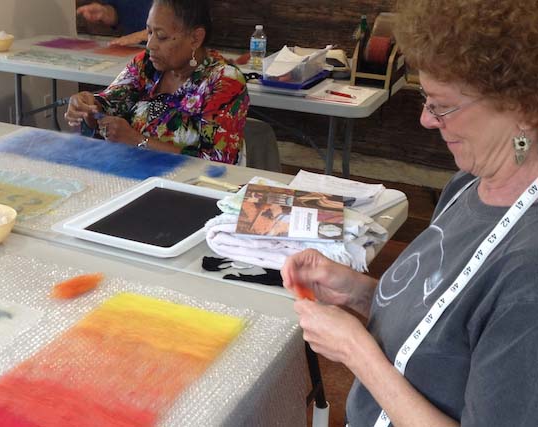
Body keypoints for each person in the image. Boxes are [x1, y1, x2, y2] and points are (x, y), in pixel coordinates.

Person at [280, 1, 538, 426]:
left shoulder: (528, 274)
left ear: (524, 105)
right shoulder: (470, 184)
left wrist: (356, 351)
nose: (425, 119)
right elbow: (449, 331)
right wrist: (360, 293)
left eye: (442, 105)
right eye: (425, 98)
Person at [66, 0, 249, 165]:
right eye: (149, 32)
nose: (150, 44)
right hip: (130, 175)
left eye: (161, 36)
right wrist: (87, 107)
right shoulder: (145, 64)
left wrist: (136, 140)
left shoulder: (224, 81)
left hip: (187, 190)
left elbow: (220, 163)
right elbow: (109, 104)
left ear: (195, 38)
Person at [76, 1, 151, 46]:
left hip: (157, 52)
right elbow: (120, 11)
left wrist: (144, 34)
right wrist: (105, 12)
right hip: (132, 50)